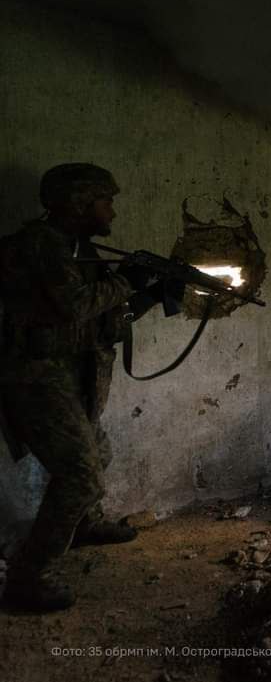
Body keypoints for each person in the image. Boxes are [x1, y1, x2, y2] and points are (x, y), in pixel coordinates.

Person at [0, 163, 168, 612]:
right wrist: (128, 279)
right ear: (78, 203)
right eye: (105, 200)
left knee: (99, 453)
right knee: (80, 474)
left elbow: (105, 321)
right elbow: (74, 306)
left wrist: (150, 296)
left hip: (74, 374)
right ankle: (27, 578)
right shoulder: (41, 244)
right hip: (37, 376)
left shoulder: (80, 250)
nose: (112, 210)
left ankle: (85, 525)